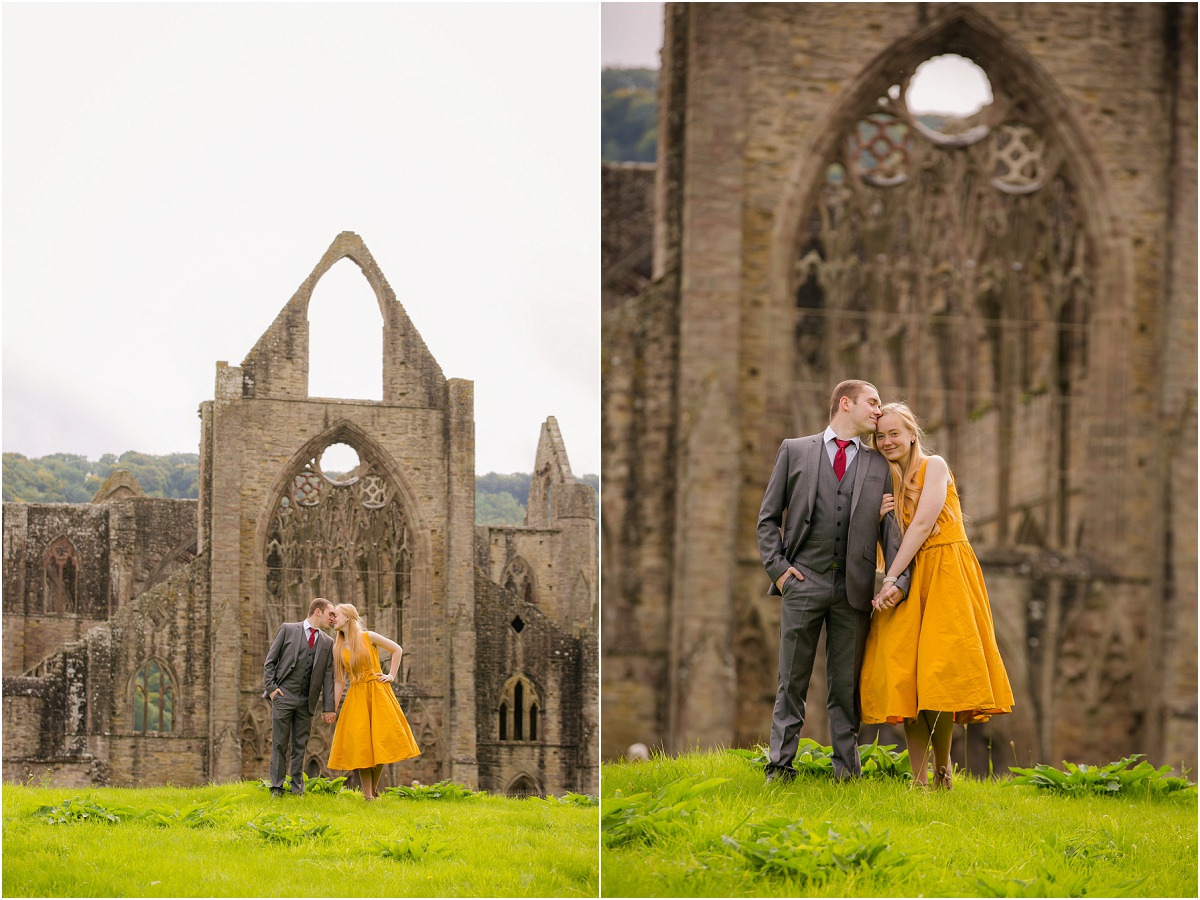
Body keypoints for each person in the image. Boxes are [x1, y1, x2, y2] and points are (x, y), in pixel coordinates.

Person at [757, 379, 912, 782]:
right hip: (802, 582)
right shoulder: (795, 450)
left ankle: (846, 772)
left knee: (845, 687)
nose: (878, 411)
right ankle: (780, 767)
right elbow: (768, 518)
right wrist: (779, 570)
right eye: (872, 402)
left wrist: (897, 579)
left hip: (854, 589)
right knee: (791, 680)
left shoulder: (878, 464)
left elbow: (889, 531)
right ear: (846, 404)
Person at [860, 402, 1014, 789]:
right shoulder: (883, 481)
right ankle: (918, 779)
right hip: (908, 576)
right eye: (880, 436)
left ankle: (943, 771)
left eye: (895, 433)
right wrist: (875, 514)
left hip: (944, 574)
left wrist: (891, 579)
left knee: (939, 675)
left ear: (912, 434)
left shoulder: (936, 466)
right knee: (906, 675)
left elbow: (926, 523)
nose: (887, 441)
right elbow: (882, 542)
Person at [327, 603, 421, 800]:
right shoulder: (337, 648)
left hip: (378, 692)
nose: (333, 618)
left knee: (381, 740)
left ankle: (374, 789)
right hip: (356, 695)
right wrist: (332, 708)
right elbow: (339, 680)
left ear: (348, 617)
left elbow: (397, 650)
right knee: (362, 745)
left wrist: (391, 675)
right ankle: (368, 795)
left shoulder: (368, 637)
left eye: (337, 615)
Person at [262, 598, 338, 797]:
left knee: (300, 745)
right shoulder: (288, 629)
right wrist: (271, 689)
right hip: (283, 696)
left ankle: (297, 789)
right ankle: (276, 787)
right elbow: (270, 661)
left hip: (307, 701)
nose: (333, 618)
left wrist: (329, 707)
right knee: (279, 743)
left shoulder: (328, 642)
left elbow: (329, 677)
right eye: (331, 614)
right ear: (318, 612)